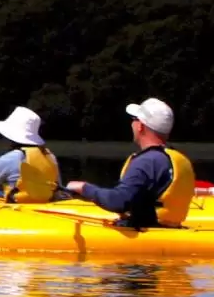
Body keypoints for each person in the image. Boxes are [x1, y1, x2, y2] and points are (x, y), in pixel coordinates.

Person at [65, 97, 195, 228]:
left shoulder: (146, 162)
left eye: (134, 119)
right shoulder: (177, 158)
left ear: (141, 126)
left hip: (148, 234)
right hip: (170, 230)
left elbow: (119, 201)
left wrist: (84, 188)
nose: (132, 124)